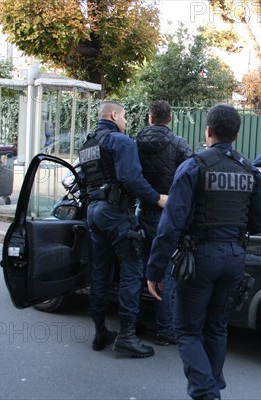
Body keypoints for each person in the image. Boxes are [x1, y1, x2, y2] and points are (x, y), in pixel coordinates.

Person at [146, 104, 261, 400]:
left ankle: (206, 393)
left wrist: (154, 269)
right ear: (237, 134)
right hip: (234, 260)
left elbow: (171, 223)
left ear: (209, 131)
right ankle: (213, 387)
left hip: (199, 259)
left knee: (187, 331)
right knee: (217, 326)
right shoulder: (249, 170)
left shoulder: (194, 166)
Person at [79, 100, 167, 358]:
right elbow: (131, 178)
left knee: (100, 272)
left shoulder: (87, 145)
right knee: (132, 271)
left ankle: (100, 332)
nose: (126, 122)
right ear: (115, 115)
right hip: (117, 214)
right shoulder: (121, 141)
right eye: (125, 117)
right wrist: (156, 198)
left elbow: (82, 179)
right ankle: (127, 336)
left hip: (94, 213)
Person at [136, 100, 193, 346]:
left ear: (150, 118)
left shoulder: (134, 142)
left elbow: (130, 175)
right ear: (170, 118)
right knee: (165, 275)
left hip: (143, 211)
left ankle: (134, 323)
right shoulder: (179, 145)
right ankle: (166, 330)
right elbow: (192, 177)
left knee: (140, 270)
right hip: (169, 216)